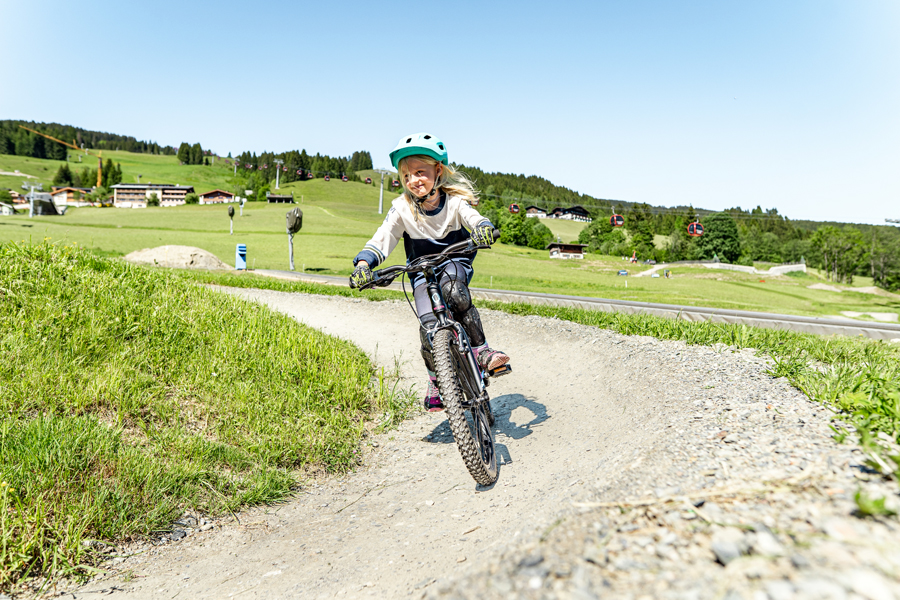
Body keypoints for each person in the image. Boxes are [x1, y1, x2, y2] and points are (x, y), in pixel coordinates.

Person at [350, 133, 510, 412]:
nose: (414, 180)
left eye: (420, 172)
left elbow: (474, 219)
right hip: (421, 271)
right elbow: (382, 238)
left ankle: (482, 350)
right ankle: (437, 380)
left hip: (454, 261)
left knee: (455, 294)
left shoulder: (456, 202)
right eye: (407, 175)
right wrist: (364, 265)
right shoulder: (401, 208)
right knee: (428, 327)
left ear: (438, 171)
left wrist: (482, 228)